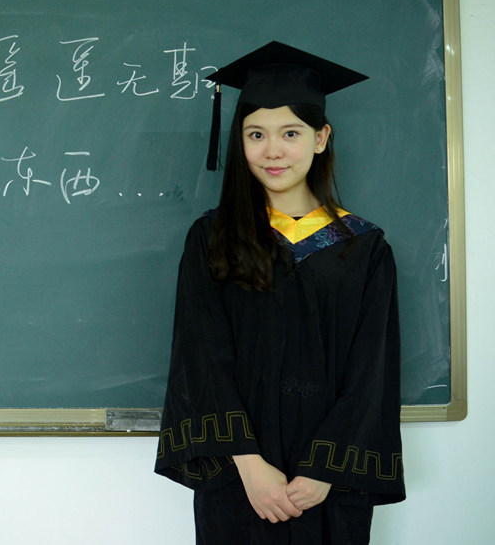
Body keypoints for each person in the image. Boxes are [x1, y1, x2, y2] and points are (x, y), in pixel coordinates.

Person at [154, 41, 405, 544]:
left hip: (330, 483)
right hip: (239, 479)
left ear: (321, 138)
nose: (272, 151)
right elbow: (200, 356)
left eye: (291, 133)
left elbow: (372, 370)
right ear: (240, 141)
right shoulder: (212, 238)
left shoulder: (365, 247)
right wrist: (249, 464)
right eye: (256, 134)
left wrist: (324, 470)